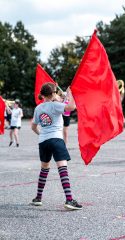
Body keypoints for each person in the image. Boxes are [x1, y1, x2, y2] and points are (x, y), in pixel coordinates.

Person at [31, 82, 82, 210]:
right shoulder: (55, 105)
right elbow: (72, 107)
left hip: (43, 141)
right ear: (53, 93)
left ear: (43, 95)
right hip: (56, 139)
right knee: (62, 169)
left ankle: (38, 198)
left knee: (44, 169)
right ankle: (69, 200)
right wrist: (70, 93)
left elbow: (33, 126)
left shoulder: (38, 108)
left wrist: (41, 134)